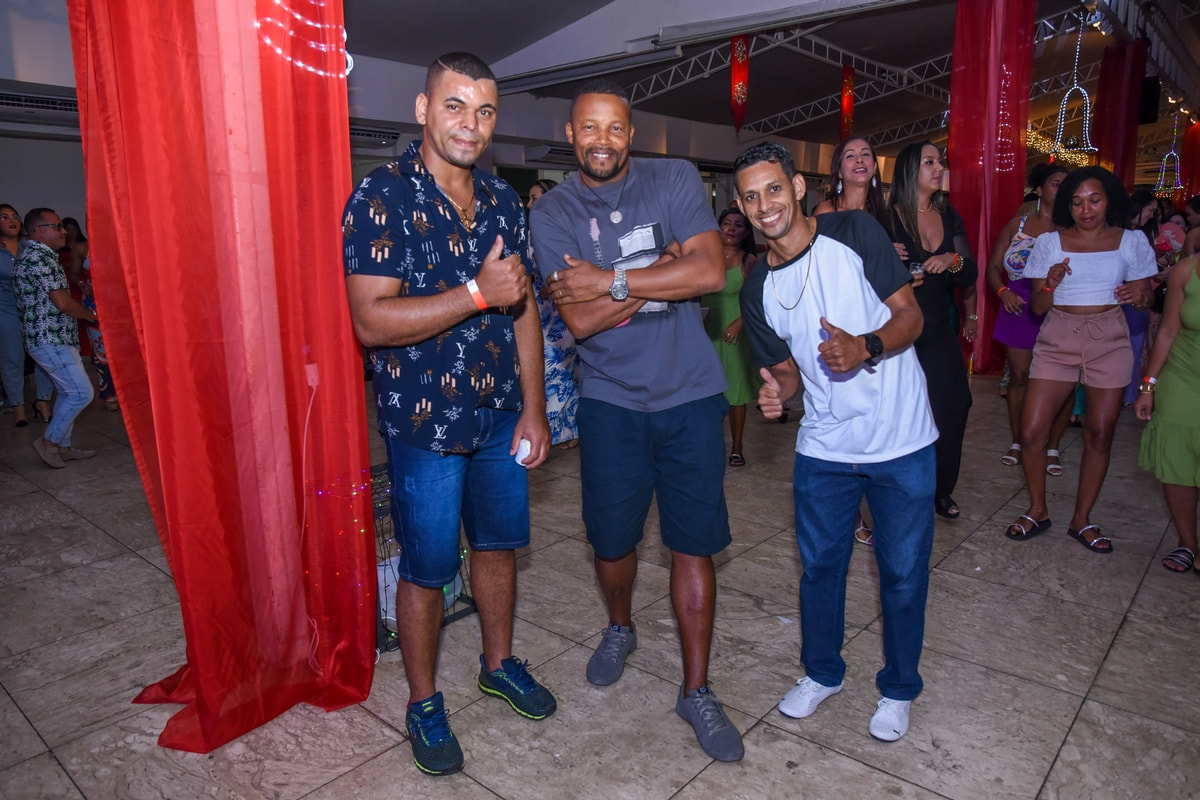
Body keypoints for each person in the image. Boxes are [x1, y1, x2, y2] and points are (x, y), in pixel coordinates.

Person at [342, 52, 556, 778]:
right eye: (456, 105)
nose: (471, 124)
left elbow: (524, 309)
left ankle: (498, 665)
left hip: (499, 415)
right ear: (423, 109)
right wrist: (475, 293)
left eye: (485, 110)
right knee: (428, 568)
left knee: (498, 546)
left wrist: (535, 407)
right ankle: (423, 701)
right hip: (425, 424)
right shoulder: (381, 195)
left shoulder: (501, 199)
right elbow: (370, 321)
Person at [530, 78, 743, 762]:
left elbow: (709, 274)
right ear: (571, 135)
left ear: (631, 133)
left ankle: (697, 689)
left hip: (690, 395)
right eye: (589, 128)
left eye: (615, 128)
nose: (602, 141)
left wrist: (611, 278)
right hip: (611, 401)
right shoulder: (554, 212)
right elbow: (580, 321)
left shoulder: (674, 178)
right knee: (612, 542)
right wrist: (663, 266)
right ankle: (620, 627)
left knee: (693, 544)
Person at [734, 141, 936, 743]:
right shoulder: (755, 289)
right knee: (820, 569)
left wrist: (866, 346)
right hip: (824, 446)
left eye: (774, 189)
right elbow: (788, 370)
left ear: (797, 188)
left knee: (902, 573)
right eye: (751, 196)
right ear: (741, 207)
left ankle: (898, 688)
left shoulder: (854, 233)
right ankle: (822, 674)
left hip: (900, 437)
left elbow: (910, 315)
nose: (765, 205)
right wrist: (778, 392)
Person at [1007, 166, 1156, 552]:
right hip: (1058, 336)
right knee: (1031, 432)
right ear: (1066, 206)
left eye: (1094, 200)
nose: (1086, 210)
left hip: (1110, 337)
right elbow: (1038, 307)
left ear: (1109, 201)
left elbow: (1146, 297)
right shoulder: (1049, 243)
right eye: (1076, 202)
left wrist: (1140, 297)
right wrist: (1050, 283)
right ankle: (1037, 509)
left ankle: (1082, 519)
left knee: (1100, 433)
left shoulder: (1132, 241)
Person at [887, 141, 977, 520]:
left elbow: (970, 271)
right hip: (897, 331)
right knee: (898, 415)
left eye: (939, 162)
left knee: (954, 405)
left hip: (937, 329)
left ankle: (940, 489)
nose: (939, 168)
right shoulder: (887, 218)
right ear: (911, 170)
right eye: (930, 162)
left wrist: (951, 258)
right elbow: (859, 271)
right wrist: (887, 259)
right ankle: (897, 491)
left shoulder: (947, 214)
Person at [812, 136, 890, 544]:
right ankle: (852, 512)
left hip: (878, 322)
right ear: (838, 170)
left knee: (876, 419)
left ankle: (873, 502)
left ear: (874, 167)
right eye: (850, 155)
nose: (859, 160)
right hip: (837, 322)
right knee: (842, 418)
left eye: (866, 155)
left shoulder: (885, 215)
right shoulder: (826, 212)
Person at [984, 163, 1074, 475]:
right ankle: (1019, 440)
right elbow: (993, 267)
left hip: (1059, 306)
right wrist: (1002, 292)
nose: (1062, 189)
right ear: (1039, 189)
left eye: (1067, 185)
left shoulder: (1073, 229)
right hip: (1018, 305)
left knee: (1062, 380)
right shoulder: (1017, 226)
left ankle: (1052, 445)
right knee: (1020, 376)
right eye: (1056, 183)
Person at [13, 208, 99, 468]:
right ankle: (49, 442)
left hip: (54, 337)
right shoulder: (40, 258)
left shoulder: (39, 256)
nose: (64, 232)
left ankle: (63, 446)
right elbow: (62, 303)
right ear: (39, 231)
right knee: (81, 393)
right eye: (57, 226)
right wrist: (92, 315)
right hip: (50, 338)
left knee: (68, 392)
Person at [1136, 253, 1200, 574]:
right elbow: (1168, 331)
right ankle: (1188, 544)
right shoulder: (1187, 270)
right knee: (1176, 459)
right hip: (1183, 376)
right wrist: (1148, 386)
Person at [700, 208, 761, 467]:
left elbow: (758, 300)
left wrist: (739, 324)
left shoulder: (748, 261)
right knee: (707, 392)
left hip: (734, 334)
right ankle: (710, 445)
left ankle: (737, 446)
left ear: (746, 232)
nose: (731, 229)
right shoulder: (706, 257)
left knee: (736, 390)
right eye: (726, 223)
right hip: (706, 331)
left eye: (738, 225)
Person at [527, 178, 580, 449]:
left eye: (535, 198)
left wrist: (554, 286)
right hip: (536, 310)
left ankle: (561, 431)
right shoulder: (530, 233)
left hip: (559, 313)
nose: (529, 204)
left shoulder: (562, 232)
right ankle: (556, 432)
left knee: (558, 370)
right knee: (547, 371)